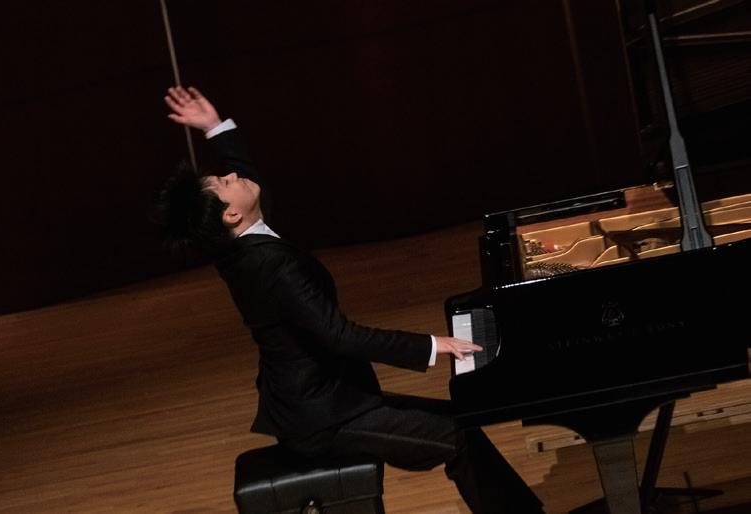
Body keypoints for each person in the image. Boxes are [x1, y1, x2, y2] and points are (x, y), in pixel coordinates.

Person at [156, 86, 544, 514]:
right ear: (231, 214)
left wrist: (215, 127)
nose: (233, 174)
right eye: (226, 182)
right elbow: (340, 336)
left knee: (460, 428)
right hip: (324, 419)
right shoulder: (271, 266)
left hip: (316, 401)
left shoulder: (236, 244)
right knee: (458, 436)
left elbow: (245, 178)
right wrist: (433, 345)